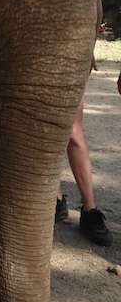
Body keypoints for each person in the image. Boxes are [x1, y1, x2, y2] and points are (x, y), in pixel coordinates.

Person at [55, 97, 112, 246]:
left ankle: (89, 209)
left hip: (67, 74)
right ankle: (56, 199)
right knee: (38, 131)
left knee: (73, 132)